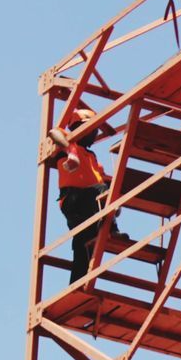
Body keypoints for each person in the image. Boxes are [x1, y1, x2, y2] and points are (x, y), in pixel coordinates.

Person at [49, 109, 128, 283]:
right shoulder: (69, 146)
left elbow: (102, 178)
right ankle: (113, 230)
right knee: (102, 190)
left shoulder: (91, 157)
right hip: (73, 199)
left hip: (87, 205)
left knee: (84, 244)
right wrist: (71, 152)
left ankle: (77, 286)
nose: (95, 134)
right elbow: (54, 132)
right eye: (93, 130)